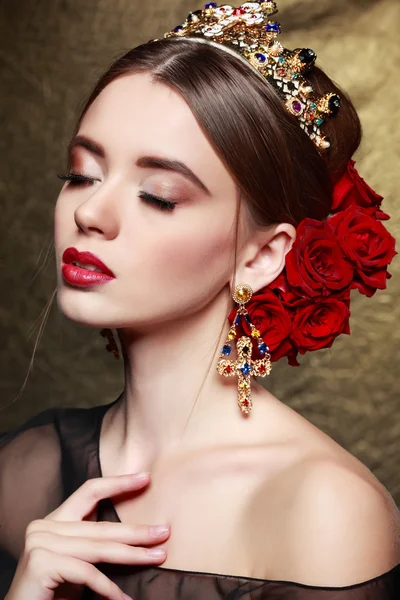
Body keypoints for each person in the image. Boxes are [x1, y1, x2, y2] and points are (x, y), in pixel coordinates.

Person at [1, 1, 399, 599]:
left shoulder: (325, 510)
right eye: (81, 175)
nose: (88, 212)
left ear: (262, 256)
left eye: (158, 195)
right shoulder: (23, 469)